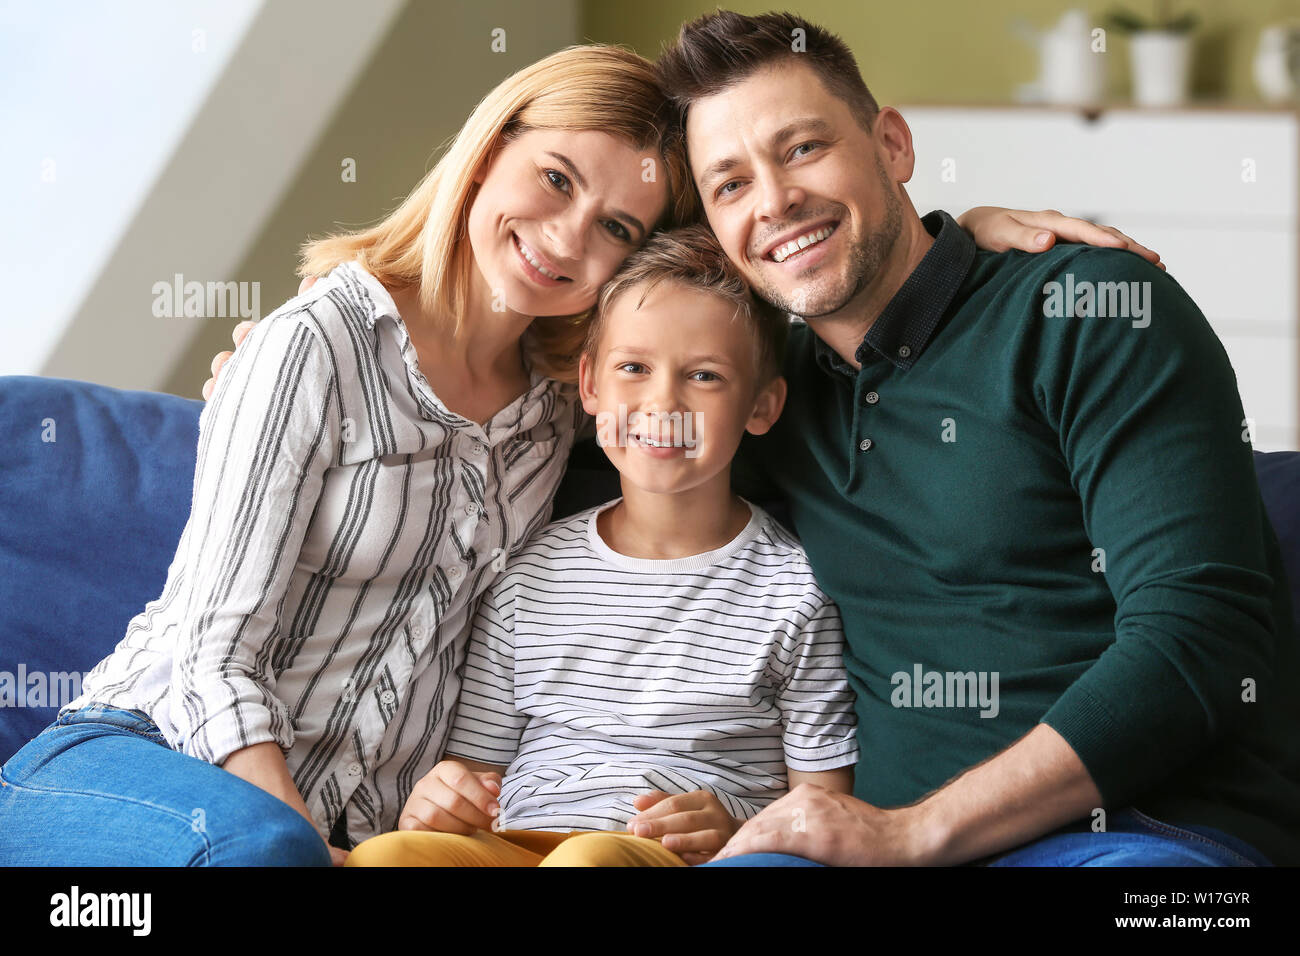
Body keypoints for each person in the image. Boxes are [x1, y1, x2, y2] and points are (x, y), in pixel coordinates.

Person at [639, 10, 1298, 868]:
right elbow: (597, 424)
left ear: (894, 146)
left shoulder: (1088, 312)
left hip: (1144, 844)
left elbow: (1201, 638)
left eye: (803, 148)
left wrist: (913, 833)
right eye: (729, 185)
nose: (774, 201)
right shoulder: (764, 395)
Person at [0, 44, 685, 867]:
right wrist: (312, 852)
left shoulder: (559, 409)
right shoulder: (313, 345)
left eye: (616, 227)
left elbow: (712, 361)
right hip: (145, 758)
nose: (567, 237)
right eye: (556, 179)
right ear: (491, 150)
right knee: (264, 851)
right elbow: (212, 658)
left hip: (348, 836)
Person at [343, 224, 858, 867]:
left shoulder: (794, 590)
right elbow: (474, 768)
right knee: (386, 857)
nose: (662, 402)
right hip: (515, 841)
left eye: (703, 376)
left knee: (587, 864)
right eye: (633, 368)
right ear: (590, 385)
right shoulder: (528, 574)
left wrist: (734, 823)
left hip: (653, 855)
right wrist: (442, 798)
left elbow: (823, 801)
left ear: (761, 405)